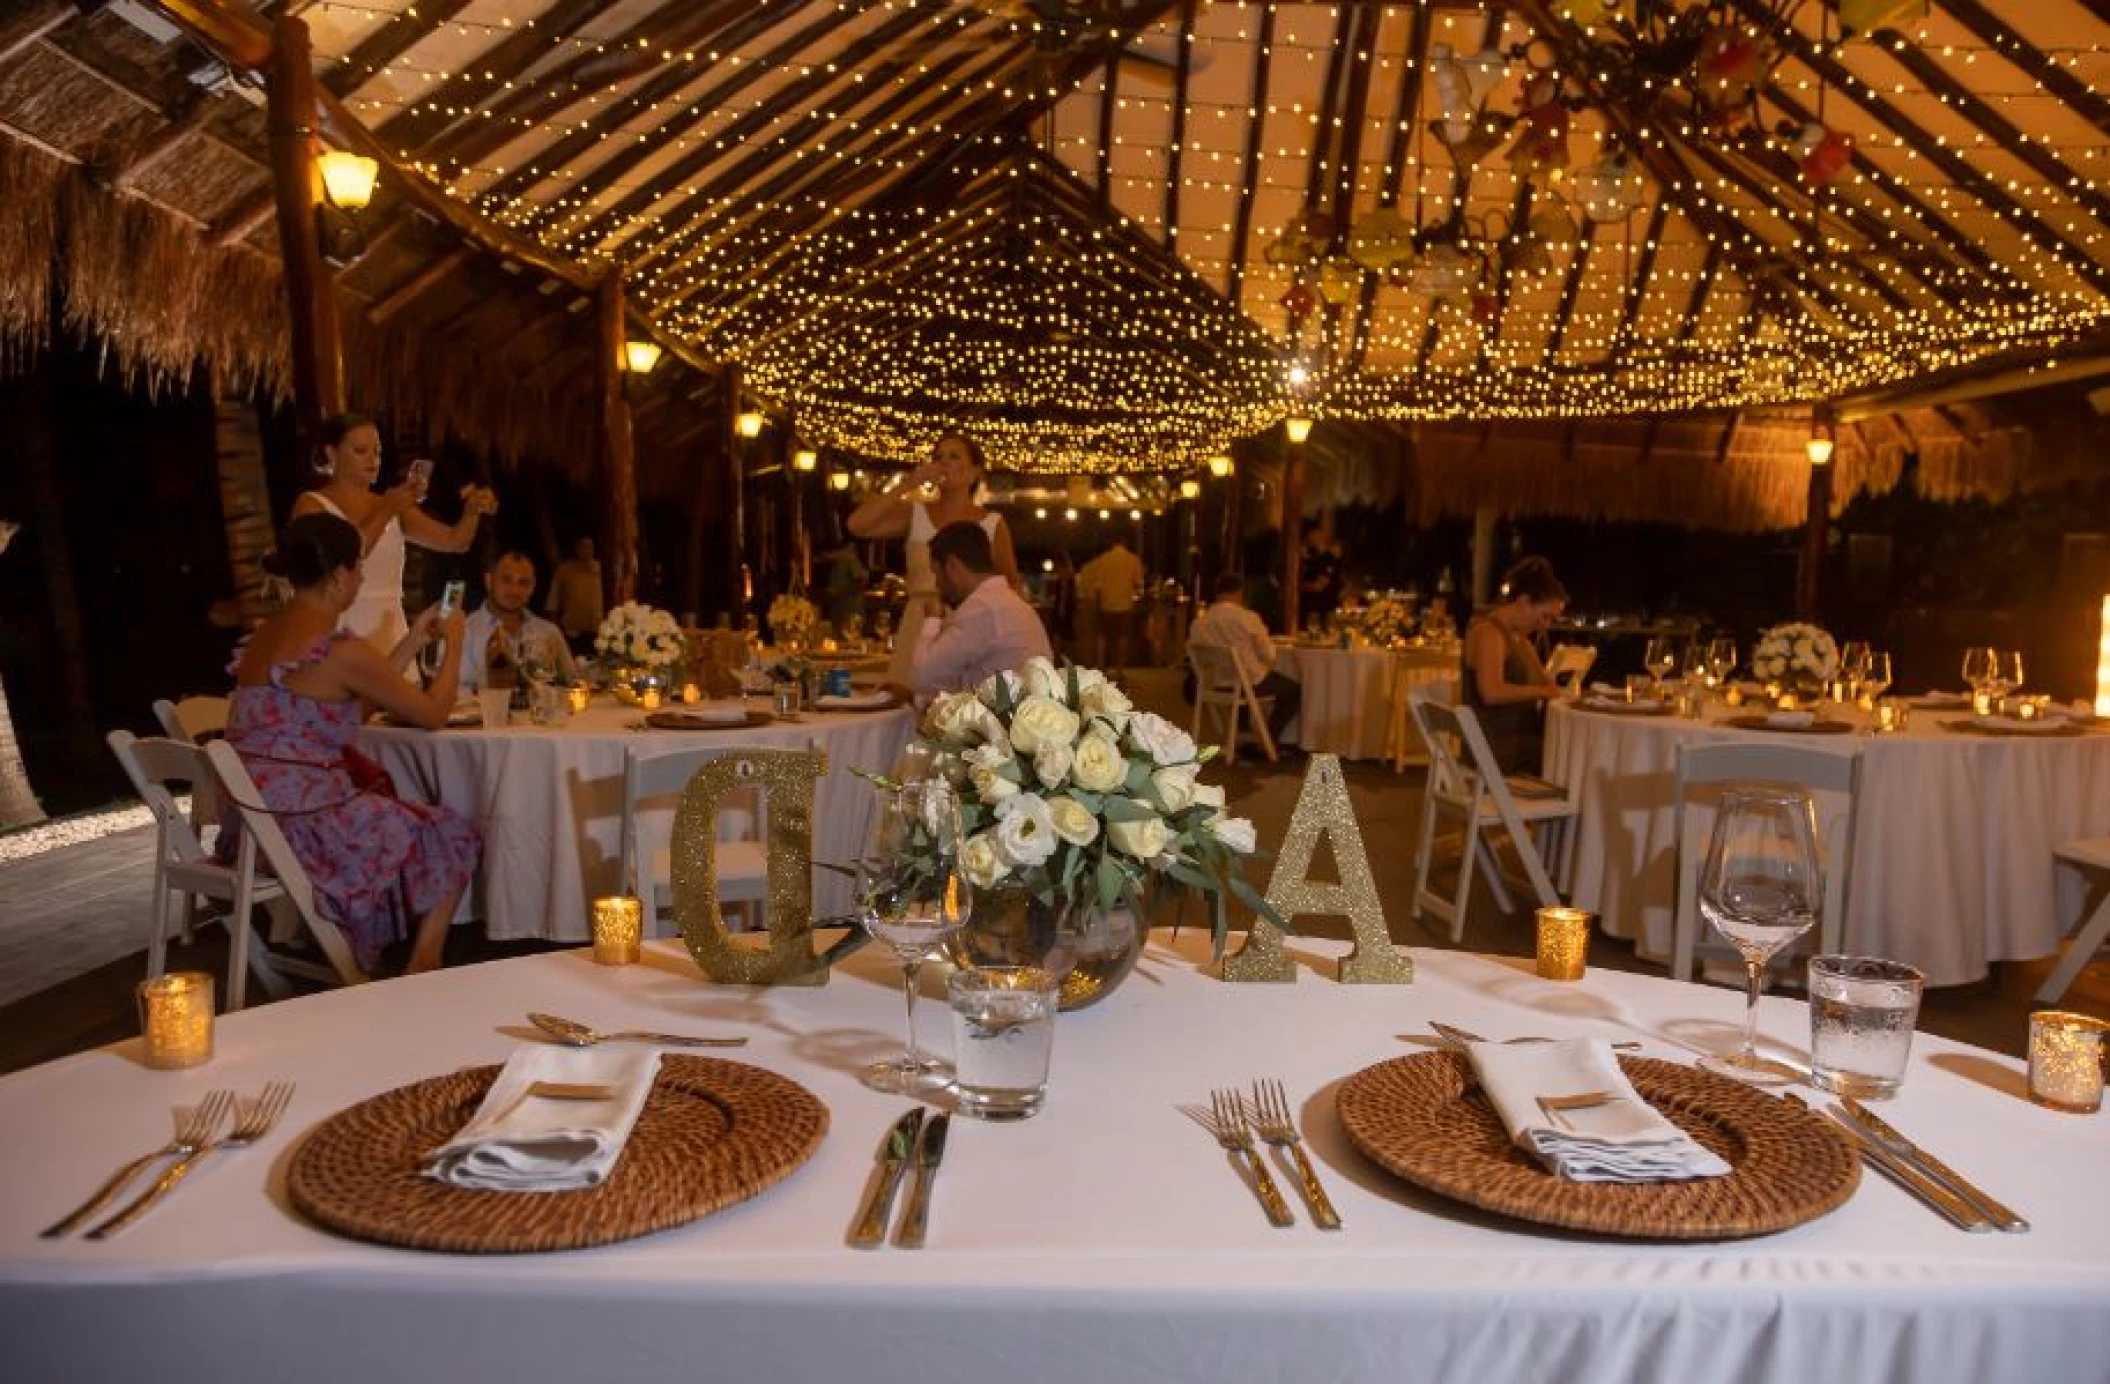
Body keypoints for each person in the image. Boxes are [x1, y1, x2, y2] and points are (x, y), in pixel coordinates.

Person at [221, 512, 481, 975]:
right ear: (340, 576)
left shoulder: (263, 637)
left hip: (253, 826)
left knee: (403, 810)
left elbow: (345, 709)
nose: (361, 578)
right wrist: (455, 642)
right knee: (452, 830)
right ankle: (424, 963)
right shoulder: (339, 649)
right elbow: (433, 714)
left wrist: (414, 640)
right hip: (307, 829)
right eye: (359, 568)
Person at [291, 414, 497, 652]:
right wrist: (388, 508)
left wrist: (471, 512)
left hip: (390, 631)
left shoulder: (392, 505)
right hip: (339, 626)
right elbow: (348, 555)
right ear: (331, 453)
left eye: (377, 452)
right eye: (361, 451)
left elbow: (455, 542)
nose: (373, 459)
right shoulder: (311, 504)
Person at [846, 432, 1020, 684]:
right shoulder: (917, 513)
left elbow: (1011, 584)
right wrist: (908, 484)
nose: (944, 463)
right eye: (939, 457)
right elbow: (857, 525)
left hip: (969, 624)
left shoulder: (992, 524)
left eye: (954, 457)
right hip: (919, 618)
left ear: (973, 473)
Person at [905, 521, 1052, 698]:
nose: (937, 584)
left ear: (952, 566)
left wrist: (932, 620)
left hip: (1002, 720)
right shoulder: (1009, 601)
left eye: (936, 573)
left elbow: (922, 677)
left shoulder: (981, 609)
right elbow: (962, 676)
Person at [1462, 555, 1568, 773]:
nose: (1545, 626)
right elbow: (1491, 692)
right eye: (1544, 616)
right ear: (1524, 602)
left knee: (1570, 747)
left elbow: (1546, 687)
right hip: (1494, 747)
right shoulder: (1489, 633)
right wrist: (1541, 691)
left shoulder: (1520, 639)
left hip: (1513, 739)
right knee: (1570, 755)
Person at [1188, 571, 1301, 747]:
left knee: (1243, 677)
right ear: (1238, 592)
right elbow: (1269, 654)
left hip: (1216, 684)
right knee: (1293, 690)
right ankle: (1270, 739)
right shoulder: (1247, 618)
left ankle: (1243, 733)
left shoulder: (1199, 623)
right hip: (1247, 683)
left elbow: (1198, 657)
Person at [463, 550, 576, 692]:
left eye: (523, 582)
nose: (515, 590)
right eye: (506, 580)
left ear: (532, 587)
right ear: (489, 581)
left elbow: (572, 684)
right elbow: (452, 692)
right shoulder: (464, 632)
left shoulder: (548, 632)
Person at [1077, 537, 1144, 671]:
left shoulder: (1104, 559)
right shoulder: (1133, 559)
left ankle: (1101, 665)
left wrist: (1098, 603)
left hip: (1106, 605)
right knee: (1122, 638)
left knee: (1103, 637)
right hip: (1125, 605)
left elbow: (1098, 585)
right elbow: (1138, 584)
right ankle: (1120, 669)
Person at [546, 536, 605, 655]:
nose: (586, 550)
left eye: (589, 547)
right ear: (576, 549)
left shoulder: (601, 569)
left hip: (598, 632)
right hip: (572, 633)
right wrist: (557, 631)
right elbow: (552, 602)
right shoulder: (564, 571)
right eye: (582, 546)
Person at [1298, 523, 1343, 627]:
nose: (1309, 540)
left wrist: (1296, 587)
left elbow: (1318, 586)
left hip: (1323, 612)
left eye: (1312, 538)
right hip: (1311, 610)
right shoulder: (1311, 560)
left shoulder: (1327, 559)